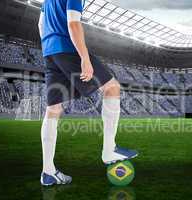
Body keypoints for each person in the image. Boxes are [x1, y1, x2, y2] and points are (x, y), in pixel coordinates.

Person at [38, 0, 138, 186]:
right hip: (68, 47)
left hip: (49, 52)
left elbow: (40, 24)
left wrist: (49, 49)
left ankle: (48, 171)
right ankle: (109, 150)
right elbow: (73, 22)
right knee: (112, 88)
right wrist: (84, 58)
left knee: (53, 110)